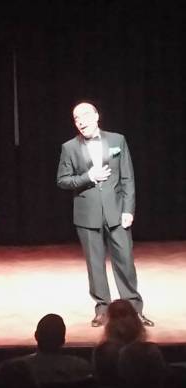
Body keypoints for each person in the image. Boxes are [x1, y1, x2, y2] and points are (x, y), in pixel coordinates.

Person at [56, 103, 153, 328]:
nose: (81, 121)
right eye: (76, 118)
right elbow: (62, 180)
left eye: (85, 116)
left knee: (125, 262)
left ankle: (134, 310)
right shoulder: (69, 147)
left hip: (117, 212)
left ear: (97, 116)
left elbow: (127, 178)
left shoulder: (117, 141)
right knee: (95, 264)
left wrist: (128, 209)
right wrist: (88, 176)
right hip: (87, 215)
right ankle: (102, 309)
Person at [21, 314, 92, 384]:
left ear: (36, 335)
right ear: (63, 340)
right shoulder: (80, 366)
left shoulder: (18, 368)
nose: (50, 338)